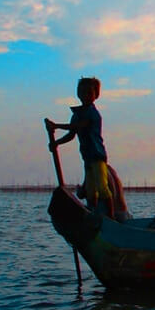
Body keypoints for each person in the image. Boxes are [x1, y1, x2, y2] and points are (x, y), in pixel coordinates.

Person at [47, 77, 115, 220]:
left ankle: (111, 217)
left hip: (97, 156)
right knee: (91, 190)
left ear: (96, 95)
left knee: (102, 188)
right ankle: (93, 213)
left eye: (90, 93)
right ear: (79, 94)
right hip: (87, 157)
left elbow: (80, 126)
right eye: (83, 92)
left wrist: (56, 126)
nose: (86, 96)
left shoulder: (92, 113)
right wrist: (57, 142)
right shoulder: (77, 114)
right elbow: (72, 134)